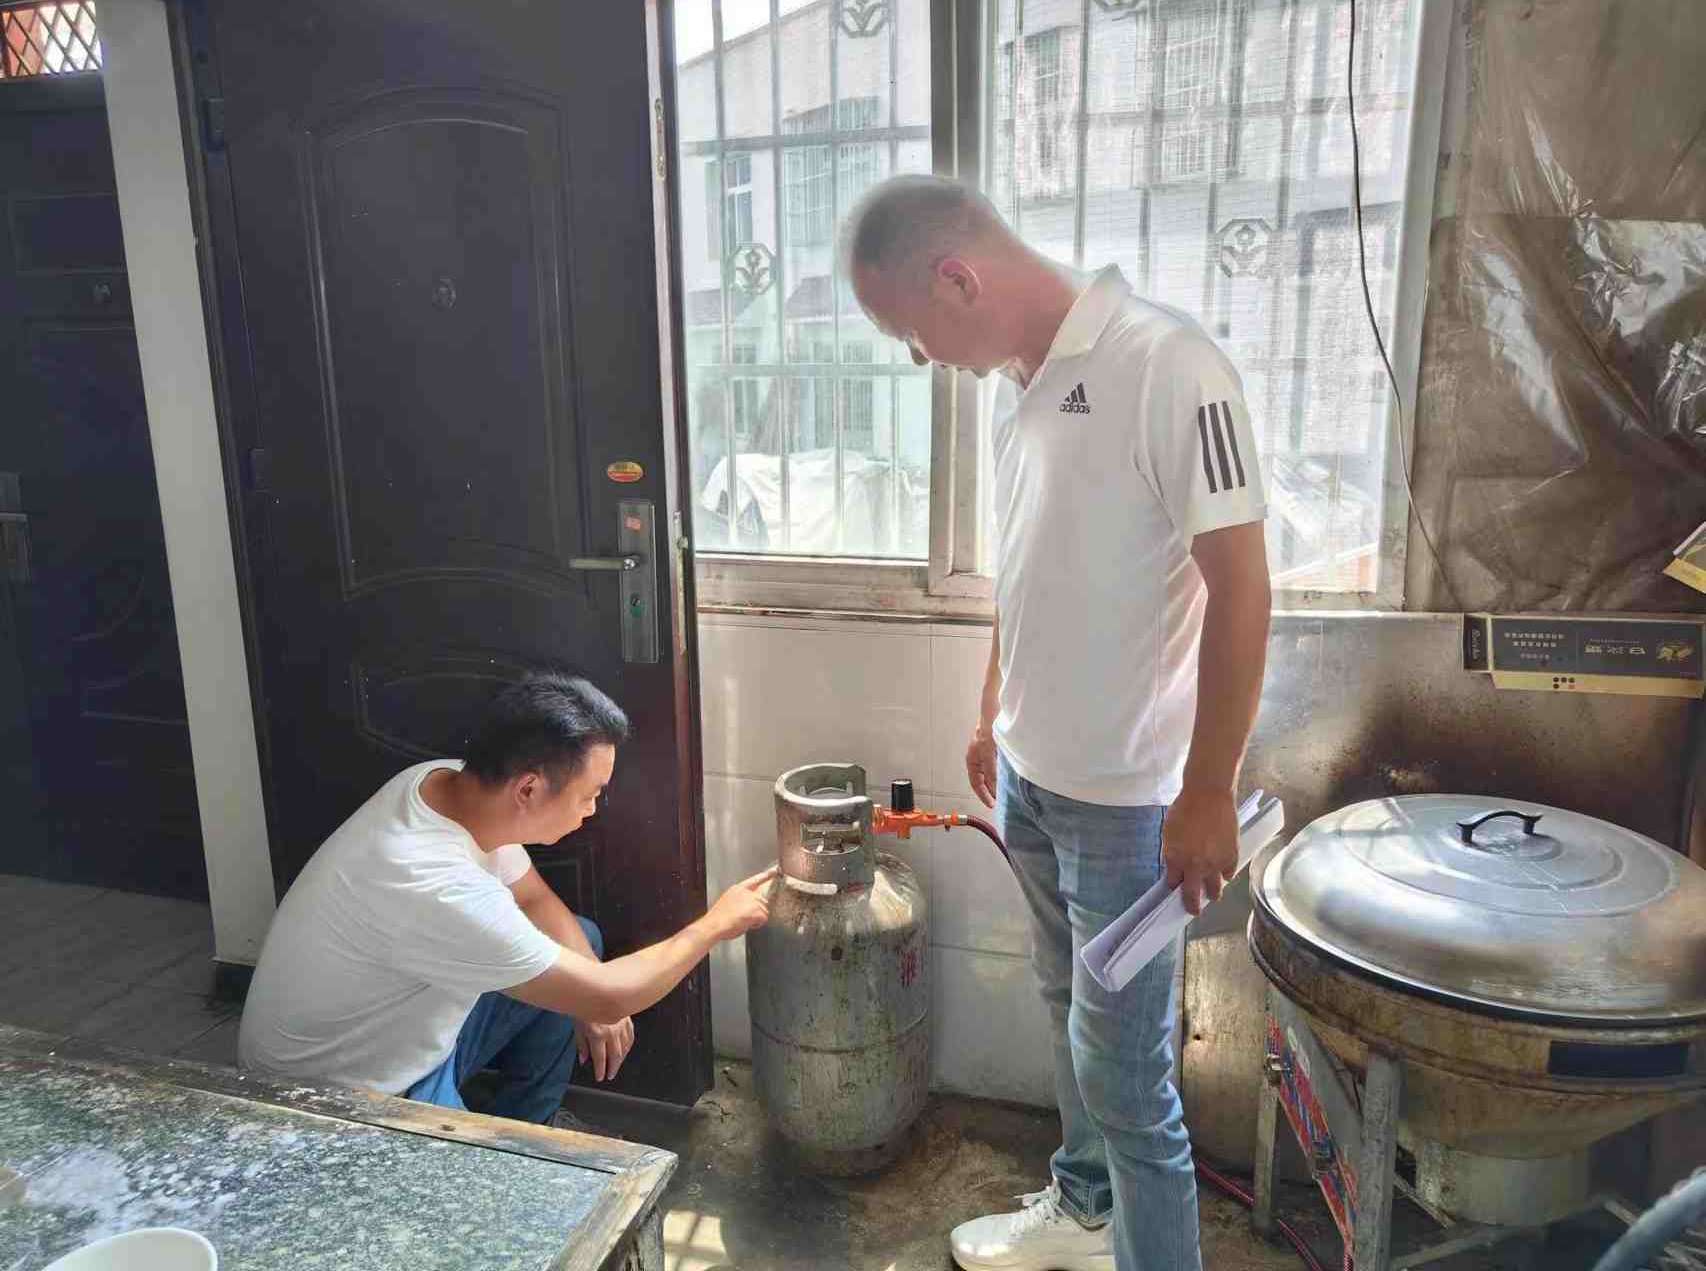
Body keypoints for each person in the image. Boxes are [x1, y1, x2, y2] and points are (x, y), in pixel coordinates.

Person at [844, 176, 1271, 1271]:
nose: (919, 357)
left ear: (957, 279)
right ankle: (1082, 1213)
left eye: (908, 331)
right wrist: (992, 708)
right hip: (1033, 780)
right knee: (1063, 1011)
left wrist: (1209, 787)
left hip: (1129, 805)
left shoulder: (1168, 365)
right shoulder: (1017, 388)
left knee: (1129, 1083)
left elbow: (1242, 587)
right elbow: (1025, 564)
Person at [238, 671, 772, 1124]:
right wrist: (715, 924)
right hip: (339, 1099)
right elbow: (612, 995)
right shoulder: (435, 883)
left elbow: (534, 900)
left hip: (396, 1035)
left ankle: (529, 1125)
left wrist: (590, 996)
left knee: (580, 942)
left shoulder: (441, 785)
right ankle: (509, 1161)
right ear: (528, 790)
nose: (593, 810)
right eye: (590, 795)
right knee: (492, 1201)